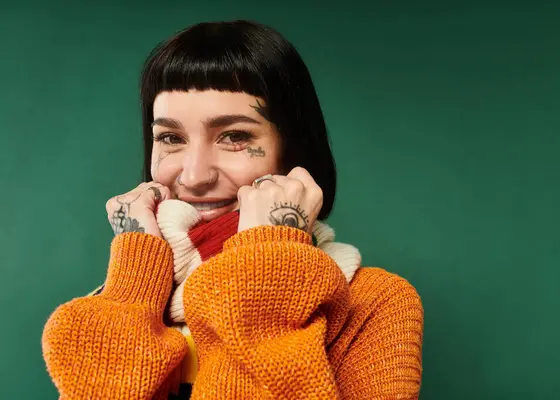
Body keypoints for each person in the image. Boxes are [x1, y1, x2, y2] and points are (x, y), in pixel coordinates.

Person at [41, 20, 424, 399]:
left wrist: (267, 267)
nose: (194, 175)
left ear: (293, 150)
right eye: (171, 138)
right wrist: (134, 282)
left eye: (235, 136)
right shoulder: (124, 300)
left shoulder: (374, 303)